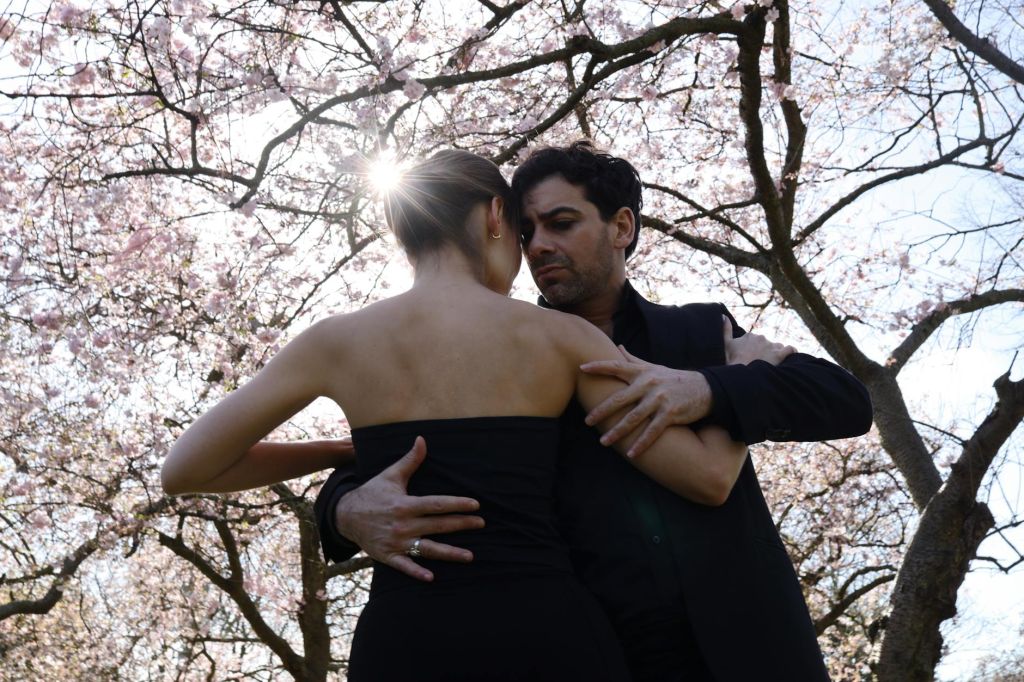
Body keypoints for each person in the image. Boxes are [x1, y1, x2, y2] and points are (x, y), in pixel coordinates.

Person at [161, 149, 765, 681]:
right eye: (520, 231)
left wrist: (339, 452)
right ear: (494, 216)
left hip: (409, 634)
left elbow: (186, 470)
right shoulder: (563, 338)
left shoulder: (335, 342)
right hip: (549, 632)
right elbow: (708, 480)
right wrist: (736, 376)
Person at [315, 142, 874, 681]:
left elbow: (846, 402)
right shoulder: (508, 354)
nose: (537, 247)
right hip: (597, 652)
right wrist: (341, 509)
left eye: (562, 223)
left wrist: (708, 389)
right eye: (526, 231)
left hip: (748, 650)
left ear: (622, 228)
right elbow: (407, 453)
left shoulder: (698, 329)